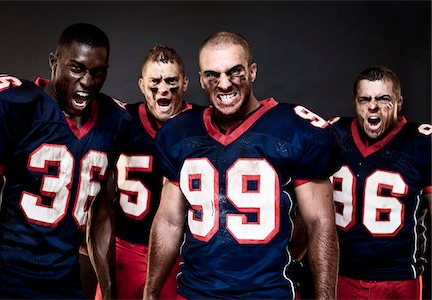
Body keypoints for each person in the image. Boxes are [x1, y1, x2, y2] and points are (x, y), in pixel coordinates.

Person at [143, 31, 342, 299]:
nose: (224, 84)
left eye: (234, 72)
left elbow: (320, 222)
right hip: (195, 293)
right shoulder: (180, 132)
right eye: (213, 75)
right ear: (201, 80)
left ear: (252, 71)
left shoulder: (294, 128)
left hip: (268, 293)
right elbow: (168, 221)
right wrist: (150, 292)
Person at [0, 23, 130, 299]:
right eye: (77, 68)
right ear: (54, 62)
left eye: (97, 72)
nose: (87, 81)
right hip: (9, 280)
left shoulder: (114, 121)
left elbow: (100, 214)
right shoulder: (19, 106)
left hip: (65, 283)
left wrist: (108, 290)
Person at [94, 44, 196, 299]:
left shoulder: (202, 124)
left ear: (185, 83)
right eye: (155, 82)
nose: (163, 89)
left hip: (182, 254)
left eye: (171, 81)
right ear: (141, 85)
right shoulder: (121, 120)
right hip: (125, 251)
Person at [329, 65, 431, 299]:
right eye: (364, 99)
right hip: (342, 273)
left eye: (383, 98)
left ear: (398, 102)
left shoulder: (422, 143)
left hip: (399, 277)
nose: (372, 106)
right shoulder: (333, 135)